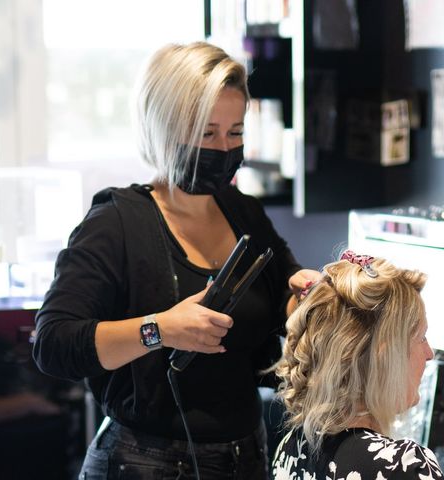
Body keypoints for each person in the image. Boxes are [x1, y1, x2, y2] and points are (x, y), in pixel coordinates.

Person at [32, 41, 320, 480]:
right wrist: (159, 330)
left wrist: (303, 300)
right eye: (207, 134)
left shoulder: (244, 213)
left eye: (236, 132)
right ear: (165, 129)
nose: (224, 148)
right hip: (142, 463)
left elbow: (283, 299)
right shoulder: (116, 224)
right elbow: (53, 344)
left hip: (247, 457)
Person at [271, 251, 444, 479]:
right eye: (421, 337)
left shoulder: (290, 447)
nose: (429, 353)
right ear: (384, 357)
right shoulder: (400, 466)